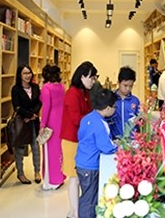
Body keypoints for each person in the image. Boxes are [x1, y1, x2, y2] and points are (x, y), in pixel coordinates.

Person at [60, 61, 98, 218]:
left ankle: (77, 209)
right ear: (82, 77)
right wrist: (95, 120)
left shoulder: (84, 92)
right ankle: (74, 212)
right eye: (92, 77)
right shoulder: (72, 93)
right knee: (74, 177)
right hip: (71, 140)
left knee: (81, 177)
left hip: (82, 140)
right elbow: (76, 119)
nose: (93, 81)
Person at [75, 89, 118, 218]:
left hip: (81, 162)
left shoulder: (88, 118)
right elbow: (106, 147)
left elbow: (81, 136)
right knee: (89, 200)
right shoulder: (100, 124)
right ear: (108, 108)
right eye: (114, 107)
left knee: (86, 196)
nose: (115, 110)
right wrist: (116, 145)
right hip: (91, 167)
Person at [11, 64, 42, 184]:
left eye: (29, 73)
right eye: (25, 73)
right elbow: (17, 106)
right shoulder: (16, 89)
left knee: (35, 147)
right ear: (20, 75)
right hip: (22, 122)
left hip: (33, 121)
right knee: (20, 148)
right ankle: (20, 173)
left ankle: (37, 172)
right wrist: (28, 115)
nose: (27, 75)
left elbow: (39, 102)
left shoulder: (35, 87)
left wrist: (33, 115)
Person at [39, 64, 66, 190]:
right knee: (58, 150)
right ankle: (59, 177)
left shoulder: (46, 88)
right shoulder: (62, 86)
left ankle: (51, 180)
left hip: (51, 120)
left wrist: (42, 124)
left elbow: (46, 108)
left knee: (49, 151)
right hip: (61, 119)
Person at [107, 66, 140, 139]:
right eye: (125, 85)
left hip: (131, 141)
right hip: (114, 140)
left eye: (131, 86)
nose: (128, 89)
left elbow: (139, 122)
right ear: (118, 82)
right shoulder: (111, 99)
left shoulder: (135, 101)